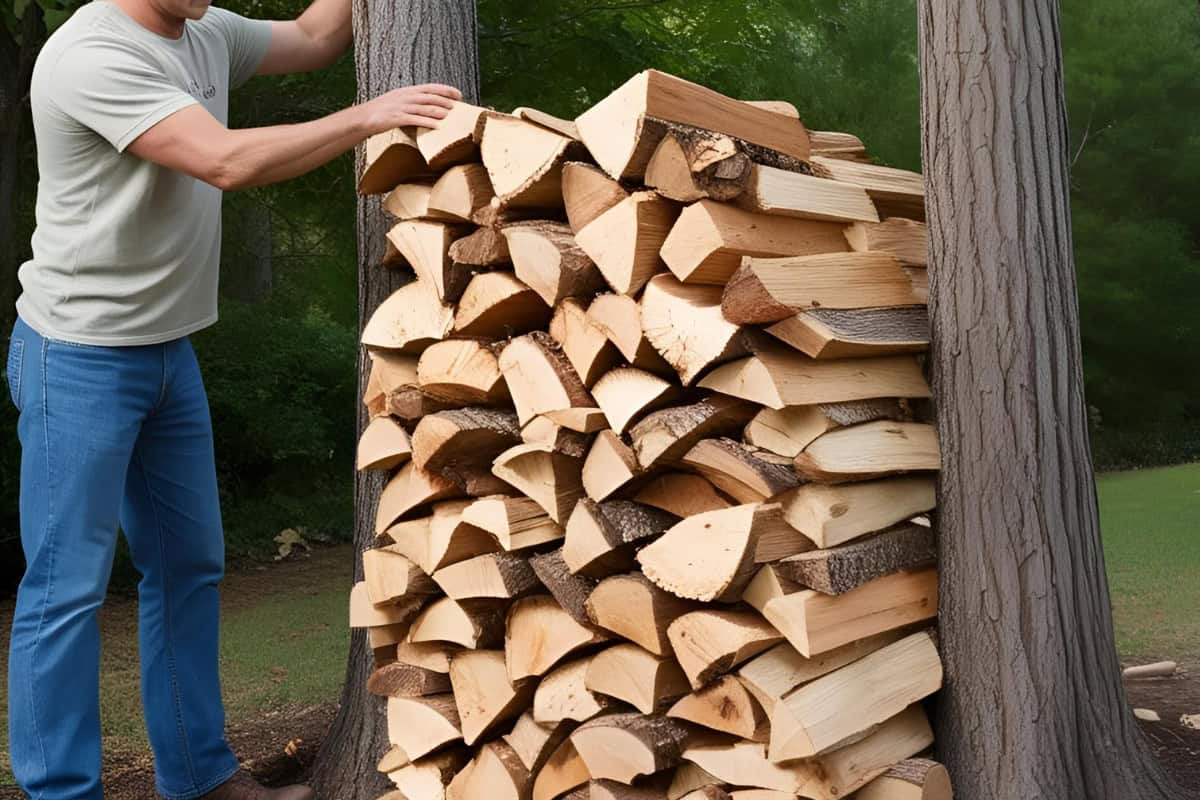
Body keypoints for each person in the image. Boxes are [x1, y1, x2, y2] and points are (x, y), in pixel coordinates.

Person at [4, 0, 461, 796]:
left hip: (168, 353)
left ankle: (200, 776)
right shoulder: (90, 55)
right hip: (77, 356)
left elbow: (317, 35)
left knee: (190, 566)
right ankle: (62, 791)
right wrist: (369, 116)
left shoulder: (206, 29)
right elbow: (222, 160)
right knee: (65, 589)